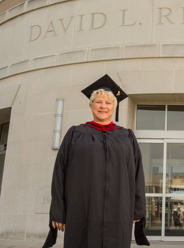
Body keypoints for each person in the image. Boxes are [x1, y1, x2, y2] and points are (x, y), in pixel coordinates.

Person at [43, 74, 149, 248]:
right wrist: (58, 212)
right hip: (82, 210)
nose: (103, 106)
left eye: (108, 103)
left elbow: (137, 174)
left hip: (118, 210)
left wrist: (138, 209)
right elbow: (59, 173)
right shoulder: (75, 134)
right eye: (98, 102)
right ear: (91, 105)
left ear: (114, 107)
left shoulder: (126, 136)